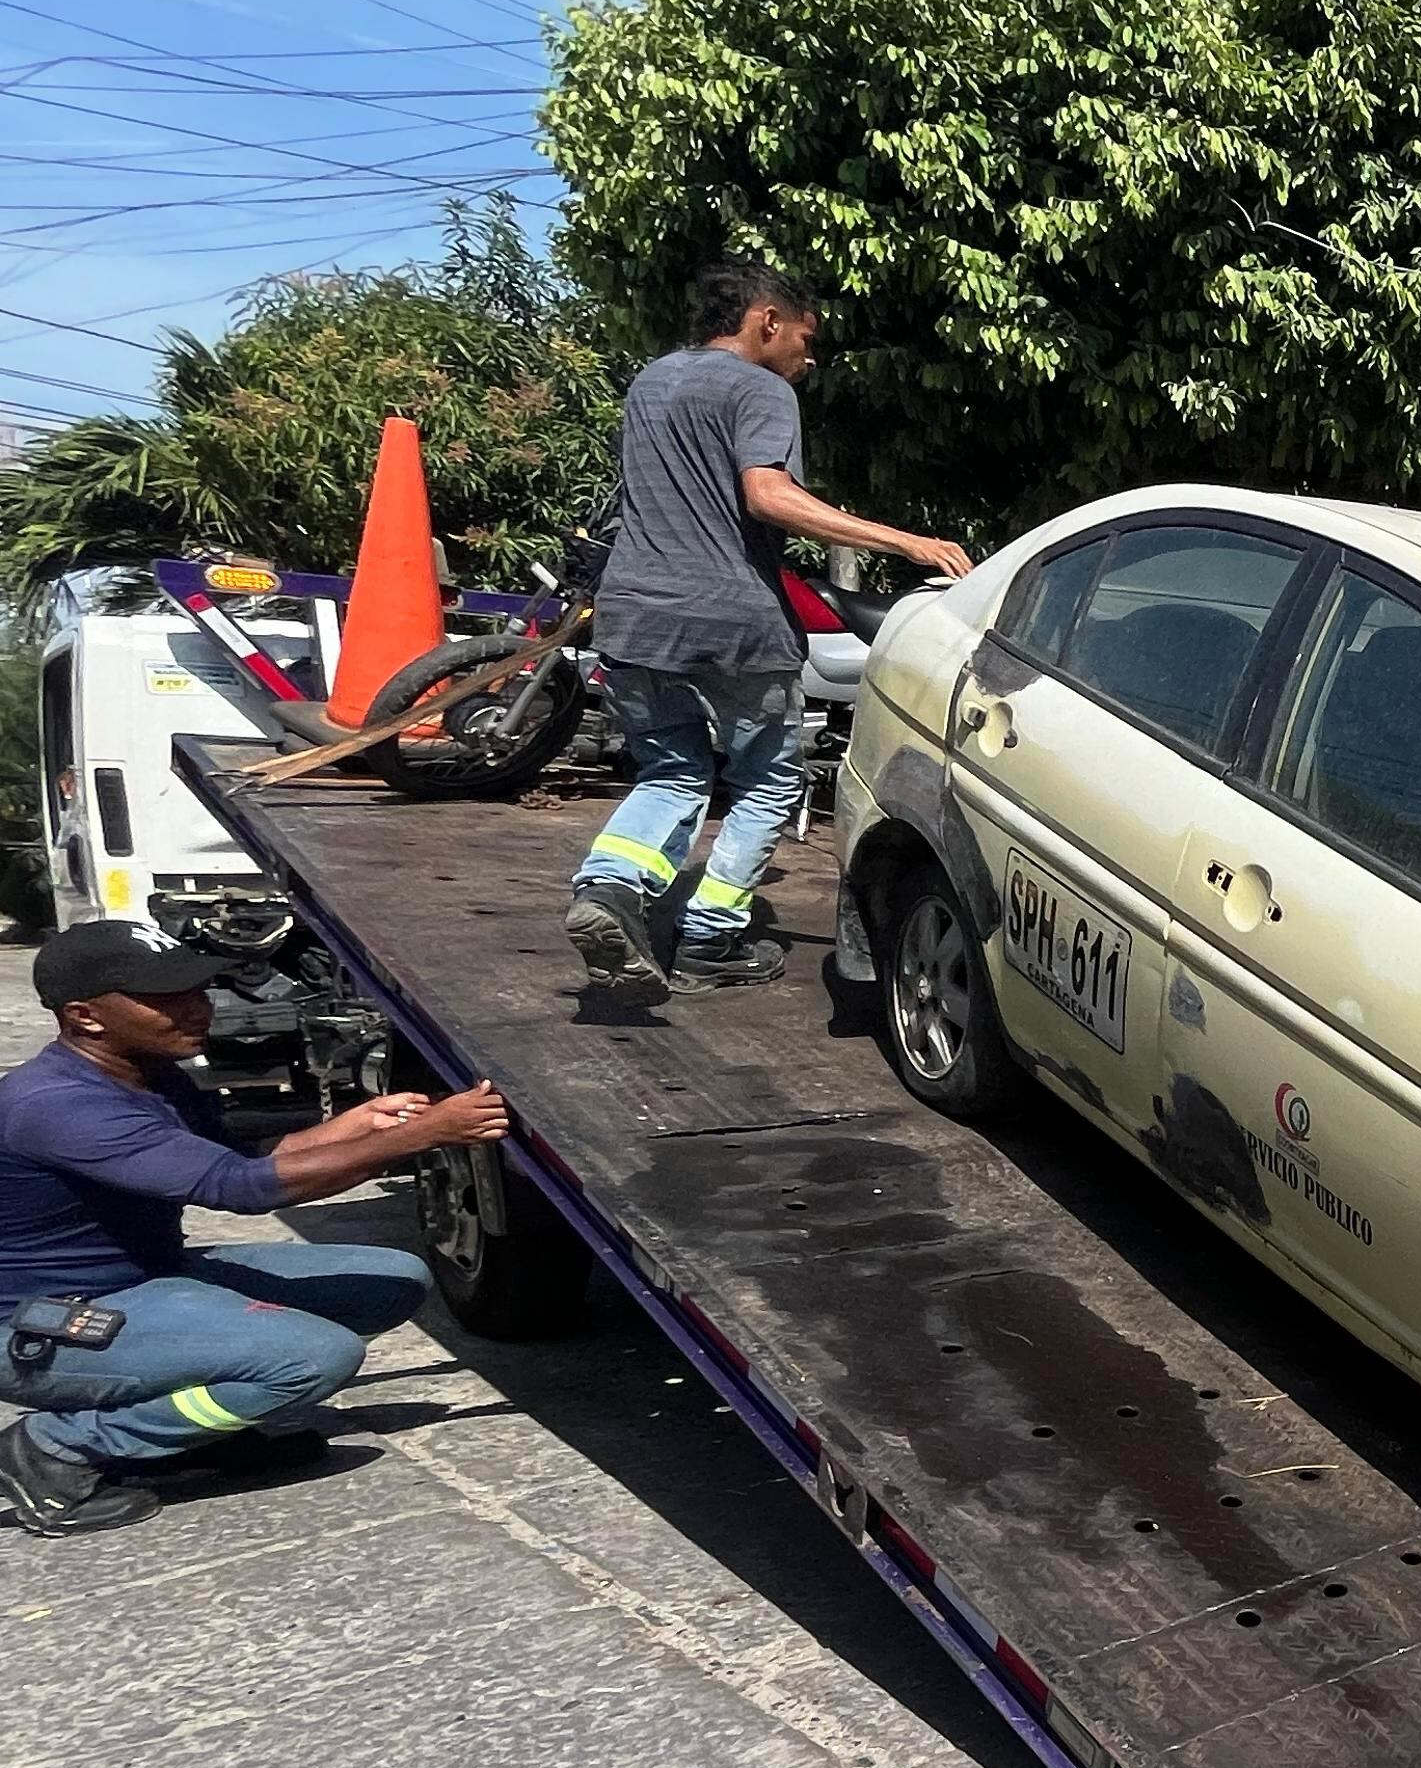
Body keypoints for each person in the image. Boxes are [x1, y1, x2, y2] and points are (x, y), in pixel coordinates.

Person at [0, 921, 517, 1536]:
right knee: (314, 1357)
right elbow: (241, 1191)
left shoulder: (146, 1072)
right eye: (167, 998)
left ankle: (185, 1435)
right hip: (46, 1321)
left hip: (145, 1276)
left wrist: (359, 1125)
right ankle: (59, 1447)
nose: (198, 1007)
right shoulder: (59, 1107)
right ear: (86, 1016)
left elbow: (241, 1159)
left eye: (196, 988)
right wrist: (423, 1135)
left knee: (390, 1278)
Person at [562, 262, 973, 995]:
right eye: (805, 342)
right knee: (768, 783)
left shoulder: (652, 380)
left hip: (632, 614)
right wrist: (904, 542)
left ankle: (609, 887)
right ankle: (712, 941)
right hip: (732, 622)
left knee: (674, 771)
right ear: (767, 321)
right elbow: (768, 495)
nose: (807, 361)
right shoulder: (761, 389)